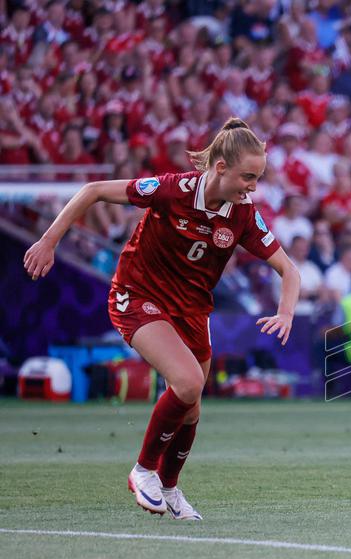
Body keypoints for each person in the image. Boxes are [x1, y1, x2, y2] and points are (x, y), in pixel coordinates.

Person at [23, 118, 301, 520]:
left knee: (192, 407)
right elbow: (93, 191)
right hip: (138, 295)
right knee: (187, 383)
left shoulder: (242, 214)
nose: (253, 187)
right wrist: (49, 241)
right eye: (248, 177)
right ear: (220, 167)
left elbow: (289, 270)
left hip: (190, 308)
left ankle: (170, 488)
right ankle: (143, 471)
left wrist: (285, 312)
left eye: (258, 178)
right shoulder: (173, 190)